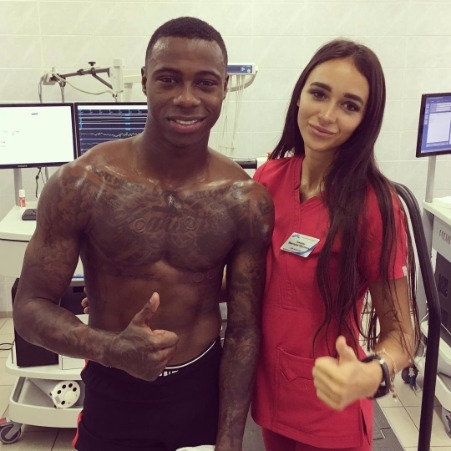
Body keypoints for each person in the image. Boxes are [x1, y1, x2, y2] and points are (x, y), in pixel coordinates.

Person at [12, 16, 274, 451]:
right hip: (113, 387)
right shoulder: (82, 184)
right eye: (169, 79)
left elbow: (244, 331)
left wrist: (230, 439)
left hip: (200, 388)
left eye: (205, 83)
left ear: (224, 88)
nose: (187, 99)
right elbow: (29, 309)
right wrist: (111, 348)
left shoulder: (243, 200)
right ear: (145, 81)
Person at [250, 39, 421, 451]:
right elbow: (247, 281)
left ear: (365, 120)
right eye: (319, 93)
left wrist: (373, 373)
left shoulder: (374, 206)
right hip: (269, 394)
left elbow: (402, 334)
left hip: (330, 406)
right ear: (299, 96)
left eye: (350, 105)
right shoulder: (269, 179)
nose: (327, 115)